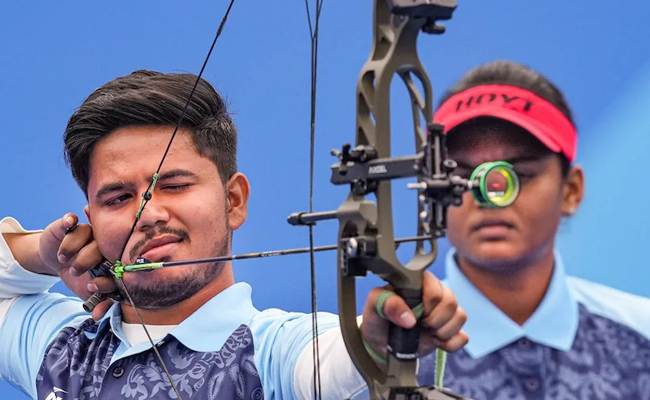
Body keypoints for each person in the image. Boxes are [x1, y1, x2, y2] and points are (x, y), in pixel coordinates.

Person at [0, 70, 468, 400]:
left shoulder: (273, 351)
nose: (148, 213)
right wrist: (40, 254)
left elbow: (338, 360)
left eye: (175, 185)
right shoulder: (60, 345)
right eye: (118, 198)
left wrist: (381, 341)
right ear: (92, 218)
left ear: (233, 201)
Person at [417, 60, 650, 399]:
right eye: (463, 176)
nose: (488, 197)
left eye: (519, 175)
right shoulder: (383, 354)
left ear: (571, 191)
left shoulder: (641, 335)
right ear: (432, 190)